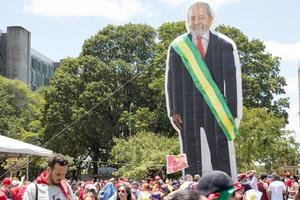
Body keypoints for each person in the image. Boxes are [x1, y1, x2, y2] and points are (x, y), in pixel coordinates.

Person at [165, 1, 242, 176]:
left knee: (220, 149)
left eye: (201, 17)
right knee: (189, 150)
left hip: (217, 109)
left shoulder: (225, 45)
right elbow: (172, 81)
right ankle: (191, 185)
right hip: (186, 110)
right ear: (187, 21)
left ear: (210, 19)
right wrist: (175, 110)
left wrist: (232, 113)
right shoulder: (178, 47)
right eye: (192, 18)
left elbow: (231, 83)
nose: (196, 22)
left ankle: (223, 185)